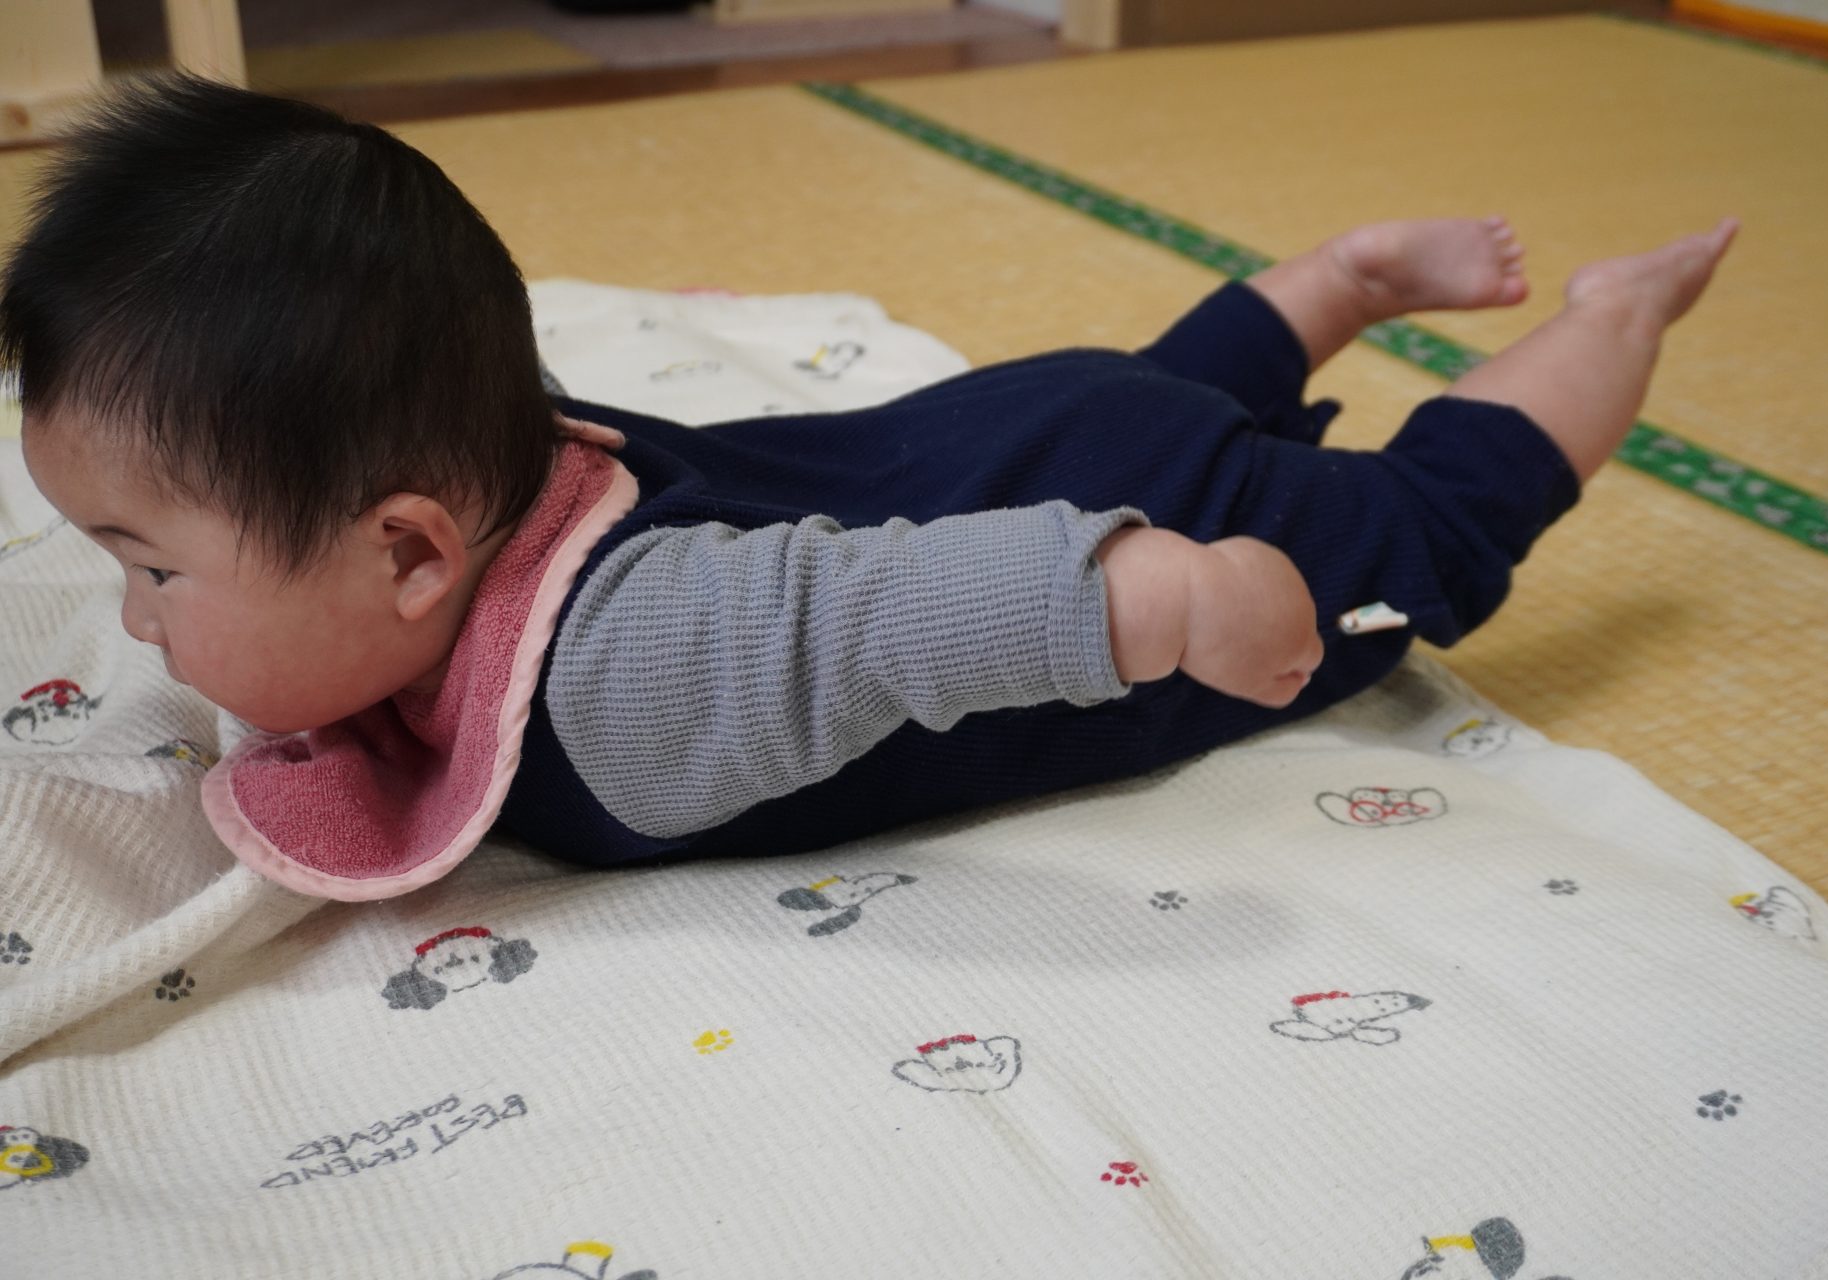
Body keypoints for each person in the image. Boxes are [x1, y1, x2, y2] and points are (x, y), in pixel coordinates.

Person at [0, 75, 1737, 900]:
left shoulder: (616, 680)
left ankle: (1608, 321)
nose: (132, 621)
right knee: (1161, 386)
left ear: (408, 551)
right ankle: (1336, 282)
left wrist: (1176, 596)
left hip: (1149, 526)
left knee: (1432, 528)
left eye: (152, 569)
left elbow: (890, 618)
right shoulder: (489, 448)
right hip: (1025, 425)